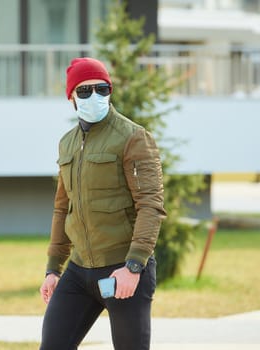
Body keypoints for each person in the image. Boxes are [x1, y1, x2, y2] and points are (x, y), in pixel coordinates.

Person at [39, 57, 167, 350]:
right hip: (79, 270)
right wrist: (53, 268)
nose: (93, 96)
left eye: (101, 89)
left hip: (122, 269)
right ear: (71, 97)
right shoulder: (67, 143)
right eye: (84, 91)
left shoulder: (134, 137)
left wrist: (134, 266)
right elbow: (63, 207)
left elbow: (151, 204)